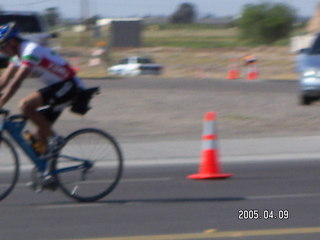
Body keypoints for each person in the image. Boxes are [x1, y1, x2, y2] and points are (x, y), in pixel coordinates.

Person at [0, 22, 85, 156]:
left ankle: (57, 140)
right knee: (39, 144)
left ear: (13, 42)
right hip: (58, 87)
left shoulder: (30, 50)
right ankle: (48, 172)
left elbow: (16, 81)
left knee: (25, 105)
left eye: (3, 46)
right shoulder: (17, 56)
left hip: (70, 86)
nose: (1, 51)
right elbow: (4, 80)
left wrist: (2, 101)